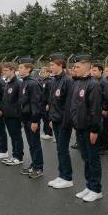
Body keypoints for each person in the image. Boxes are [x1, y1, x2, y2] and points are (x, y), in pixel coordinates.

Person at [71, 55, 103, 202]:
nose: (74, 69)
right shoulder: (77, 83)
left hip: (90, 129)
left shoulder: (93, 84)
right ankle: (89, 185)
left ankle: (96, 189)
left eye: (77, 66)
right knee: (85, 159)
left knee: (93, 159)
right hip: (80, 128)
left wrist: (94, 130)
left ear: (86, 67)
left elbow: (95, 110)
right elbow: (75, 106)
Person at [48, 53, 75, 189]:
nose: (50, 67)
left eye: (52, 65)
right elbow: (54, 102)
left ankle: (67, 177)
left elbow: (69, 105)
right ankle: (61, 175)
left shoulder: (67, 80)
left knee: (62, 149)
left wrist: (65, 122)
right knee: (59, 149)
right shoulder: (55, 80)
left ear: (60, 65)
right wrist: (52, 119)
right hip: (57, 120)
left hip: (64, 122)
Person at [17, 57, 44, 179]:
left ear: (28, 69)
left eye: (21, 67)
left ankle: (38, 167)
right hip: (26, 118)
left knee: (35, 143)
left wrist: (35, 121)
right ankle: (34, 164)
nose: (19, 69)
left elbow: (36, 104)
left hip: (32, 119)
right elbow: (23, 102)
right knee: (31, 144)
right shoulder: (24, 81)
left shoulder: (33, 83)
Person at [0, 63, 24, 166]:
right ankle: (14, 155)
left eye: (6, 70)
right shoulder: (8, 83)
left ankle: (18, 157)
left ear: (12, 70)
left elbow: (20, 101)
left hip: (15, 115)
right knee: (12, 136)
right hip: (7, 114)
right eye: (3, 70)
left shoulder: (18, 83)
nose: (4, 72)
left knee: (16, 136)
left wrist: (19, 115)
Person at [91, 63, 108, 155]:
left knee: (104, 129)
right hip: (96, 108)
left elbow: (107, 96)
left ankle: (104, 147)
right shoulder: (94, 80)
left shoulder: (104, 81)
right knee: (98, 128)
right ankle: (99, 145)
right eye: (92, 70)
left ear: (101, 71)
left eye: (95, 70)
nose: (92, 72)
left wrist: (105, 108)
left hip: (102, 109)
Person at [38, 66, 54, 140]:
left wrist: (48, 103)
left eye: (44, 72)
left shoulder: (49, 81)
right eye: (41, 72)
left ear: (48, 73)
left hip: (47, 104)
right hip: (42, 103)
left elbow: (50, 94)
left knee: (47, 118)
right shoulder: (43, 81)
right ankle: (46, 132)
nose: (42, 73)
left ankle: (49, 133)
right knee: (44, 118)